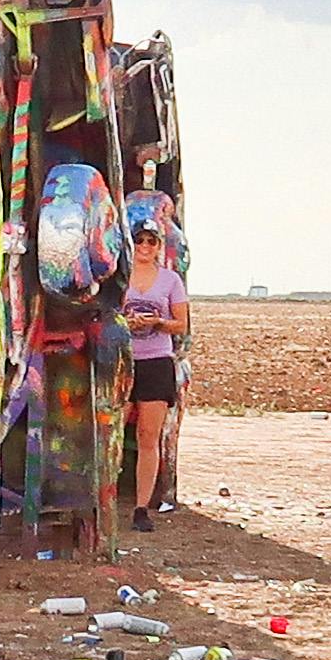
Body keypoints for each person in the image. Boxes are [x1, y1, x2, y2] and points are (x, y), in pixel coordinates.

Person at [117, 205, 187, 522]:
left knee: (148, 435)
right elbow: (103, 313)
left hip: (156, 361)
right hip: (121, 360)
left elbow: (181, 324)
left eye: (151, 241)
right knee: (112, 431)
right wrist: (124, 323)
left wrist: (158, 322)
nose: (145, 247)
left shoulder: (170, 280)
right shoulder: (118, 277)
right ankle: (102, 500)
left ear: (159, 245)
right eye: (140, 240)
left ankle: (141, 507)